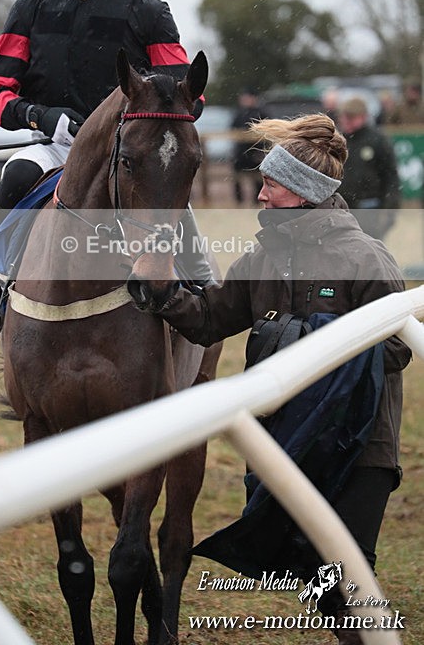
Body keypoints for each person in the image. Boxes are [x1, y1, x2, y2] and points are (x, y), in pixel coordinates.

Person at [140, 114, 411, 644]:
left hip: (360, 449)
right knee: (315, 579)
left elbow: (396, 348)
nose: (259, 195)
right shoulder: (261, 258)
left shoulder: (365, 258)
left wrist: (296, 338)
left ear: (302, 192)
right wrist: (163, 288)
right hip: (288, 444)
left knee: (345, 586)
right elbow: (211, 319)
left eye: (270, 183)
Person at [0, 0, 213, 341]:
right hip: (54, 148)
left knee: (165, 190)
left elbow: (185, 92)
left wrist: (156, 124)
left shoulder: (146, 8)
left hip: (128, 151)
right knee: (14, 177)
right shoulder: (29, 9)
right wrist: (39, 116)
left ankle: (201, 285)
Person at [337, 96, 400, 240]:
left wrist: (390, 208)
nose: (346, 120)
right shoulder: (338, 140)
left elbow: (390, 176)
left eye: (351, 117)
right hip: (343, 206)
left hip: (369, 206)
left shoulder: (377, 140)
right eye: (344, 116)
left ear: (363, 117)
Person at [230, 87, 267, 205]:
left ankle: (257, 201)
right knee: (237, 177)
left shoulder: (261, 113)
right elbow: (232, 129)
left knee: (258, 178)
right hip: (241, 152)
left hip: (256, 150)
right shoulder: (239, 113)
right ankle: (239, 201)